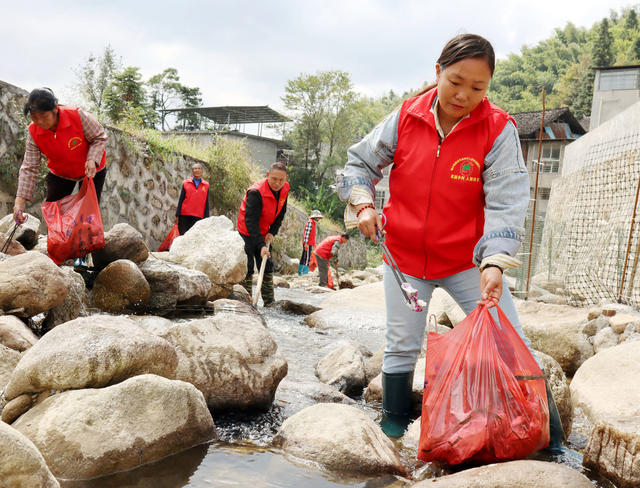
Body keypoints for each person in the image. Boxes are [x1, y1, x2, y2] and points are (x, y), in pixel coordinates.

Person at [336, 33, 565, 451]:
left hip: (467, 262)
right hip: (403, 259)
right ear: (437, 72)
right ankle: (393, 434)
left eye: (478, 88)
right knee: (401, 347)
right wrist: (363, 201)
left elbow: (508, 200)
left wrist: (494, 261)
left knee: (511, 342)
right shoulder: (407, 116)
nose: (464, 95)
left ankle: (552, 442)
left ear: (489, 87)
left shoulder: (497, 129)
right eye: (456, 81)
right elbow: (359, 162)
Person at [13, 88, 107, 270]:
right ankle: (57, 252)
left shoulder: (78, 116)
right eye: (34, 117)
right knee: (53, 208)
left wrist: (92, 159)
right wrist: (19, 202)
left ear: (55, 108)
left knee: (86, 212)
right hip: (60, 172)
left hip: (91, 169)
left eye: (43, 116)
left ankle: (82, 256)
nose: (39, 122)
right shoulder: (34, 132)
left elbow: (99, 137)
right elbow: (29, 167)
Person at [236, 162, 289, 306]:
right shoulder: (256, 192)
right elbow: (251, 221)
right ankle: (246, 301)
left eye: (281, 180)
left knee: (267, 263)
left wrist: (273, 231)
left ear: (285, 179)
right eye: (274, 179)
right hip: (247, 230)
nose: (277, 183)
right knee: (247, 264)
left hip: (265, 231)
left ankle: (269, 301)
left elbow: (281, 213)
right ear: (268, 176)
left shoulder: (285, 189)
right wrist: (260, 245)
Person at [174, 163, 210, 235]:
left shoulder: (206, 185)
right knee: (183, 235)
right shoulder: (186, 183)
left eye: (199, 168)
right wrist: (177, 215)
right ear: (192, 171)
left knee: (193, 237)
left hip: (198, 216)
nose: (197, 170)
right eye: (195, 169)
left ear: (202, 171)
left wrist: (207, 218)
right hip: (184, 215)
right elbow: (181, 199)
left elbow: (206, 202)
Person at [298, 209, 323, 275]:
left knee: (304, 257)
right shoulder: (310, 223)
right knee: (306, 258)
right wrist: (306, 243)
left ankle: (300, 272)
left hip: (309, 243)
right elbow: (307, 233)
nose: (319, 218)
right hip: (307, 244)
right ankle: (304, 273)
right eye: (318, 217)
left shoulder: (313, 223)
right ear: (314, 217)